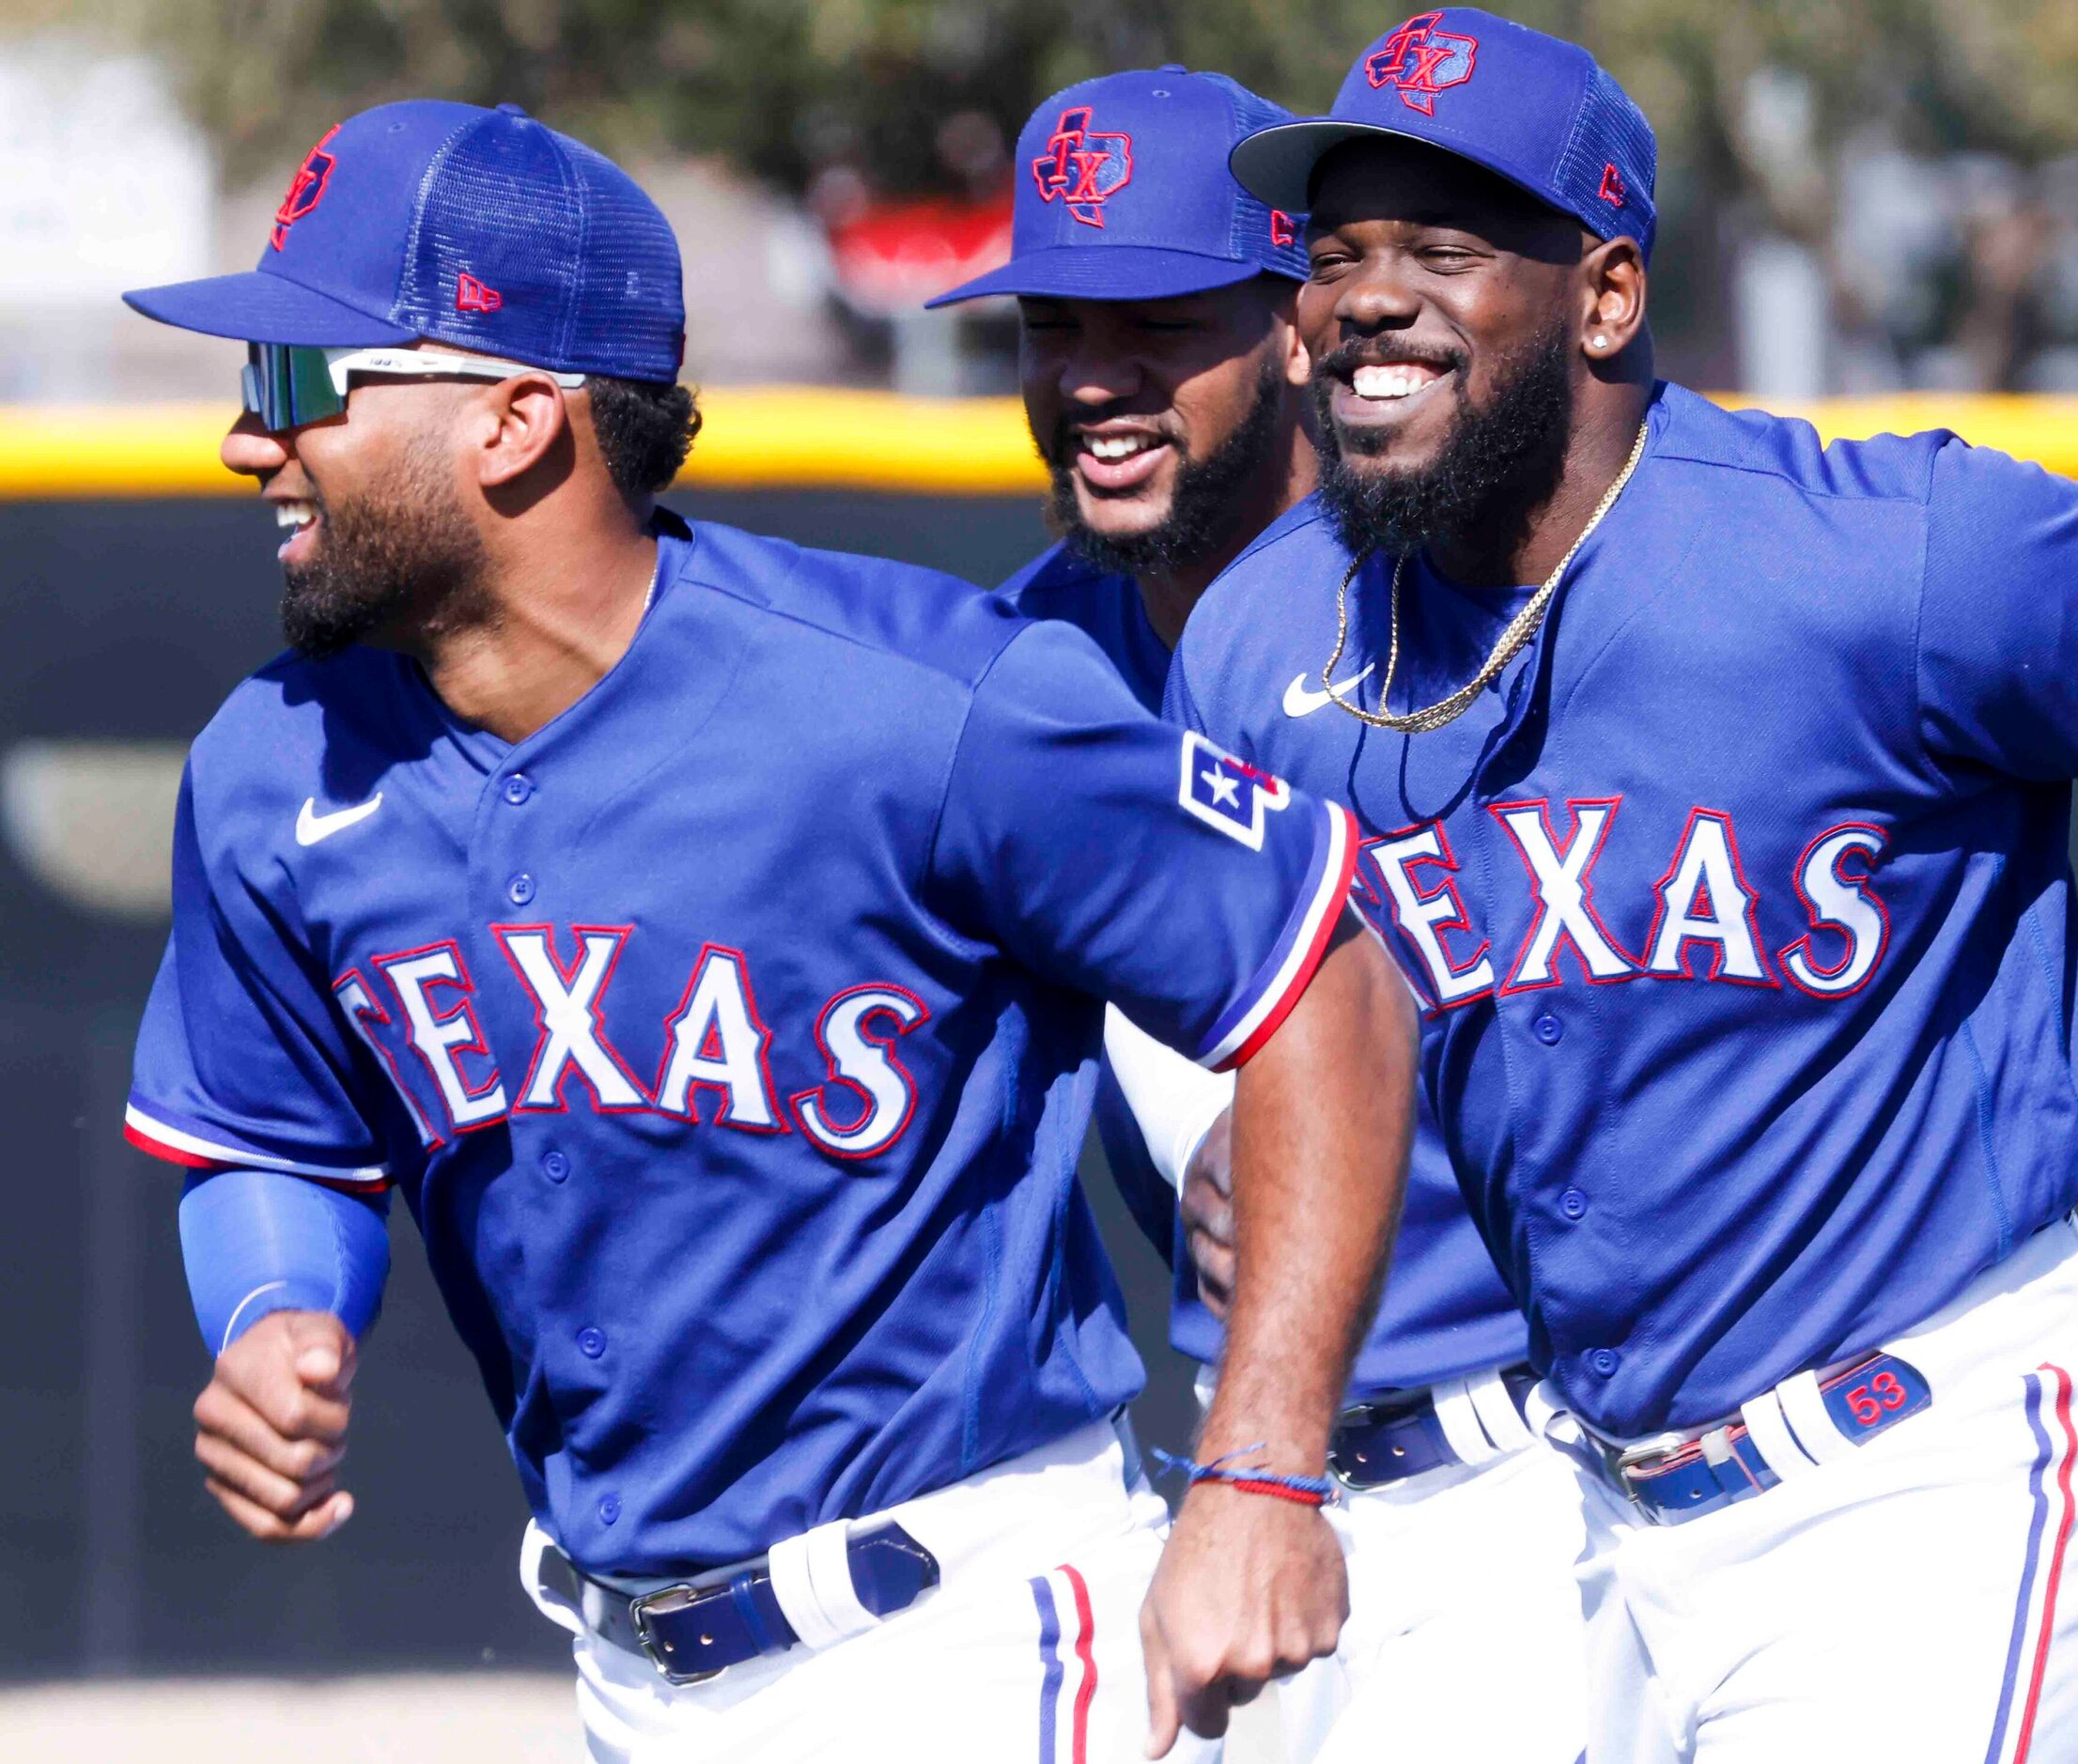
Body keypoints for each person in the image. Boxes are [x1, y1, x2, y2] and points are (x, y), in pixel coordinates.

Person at [118, 99, 1420, 1763]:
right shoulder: (271, 764)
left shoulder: (921, 703)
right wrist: (277, 1305)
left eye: (304, 384)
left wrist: (1254, 1475)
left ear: (517, 420)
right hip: (619, 1668)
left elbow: (1327, 975)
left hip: (958, 1633)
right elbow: (269, 1131)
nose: (249, 439)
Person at [1171, 12, 2078, 1761]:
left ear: (1603, 297)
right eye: (1335, 252)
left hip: (1934, 1471)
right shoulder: (1268, 634)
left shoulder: (1883, 553)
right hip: (1595, 1523)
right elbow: (1291, 994)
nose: (1362, 297)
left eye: (1442, 247)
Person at [931, 70, 1591, 1764]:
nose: (1091, 378)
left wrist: (1325, 1122)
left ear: (1297, 327)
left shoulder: (1491, 602)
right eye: (1051, 322)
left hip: (1553, 1473)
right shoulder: (1017, 684)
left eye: (1155, 323)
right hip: (1247, 1485)